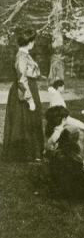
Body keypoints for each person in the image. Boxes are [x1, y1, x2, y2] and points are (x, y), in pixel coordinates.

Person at [2, 28, 44, 162]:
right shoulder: (21, 56)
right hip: (24, 90)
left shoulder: (25, 54)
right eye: (33, 41)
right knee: (25, 120)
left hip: (29, 87)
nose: (34, 43)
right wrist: (30, 100)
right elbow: (21, 79)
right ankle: (25, 154)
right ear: (30, 42)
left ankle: (33, 152)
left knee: (30, 120)